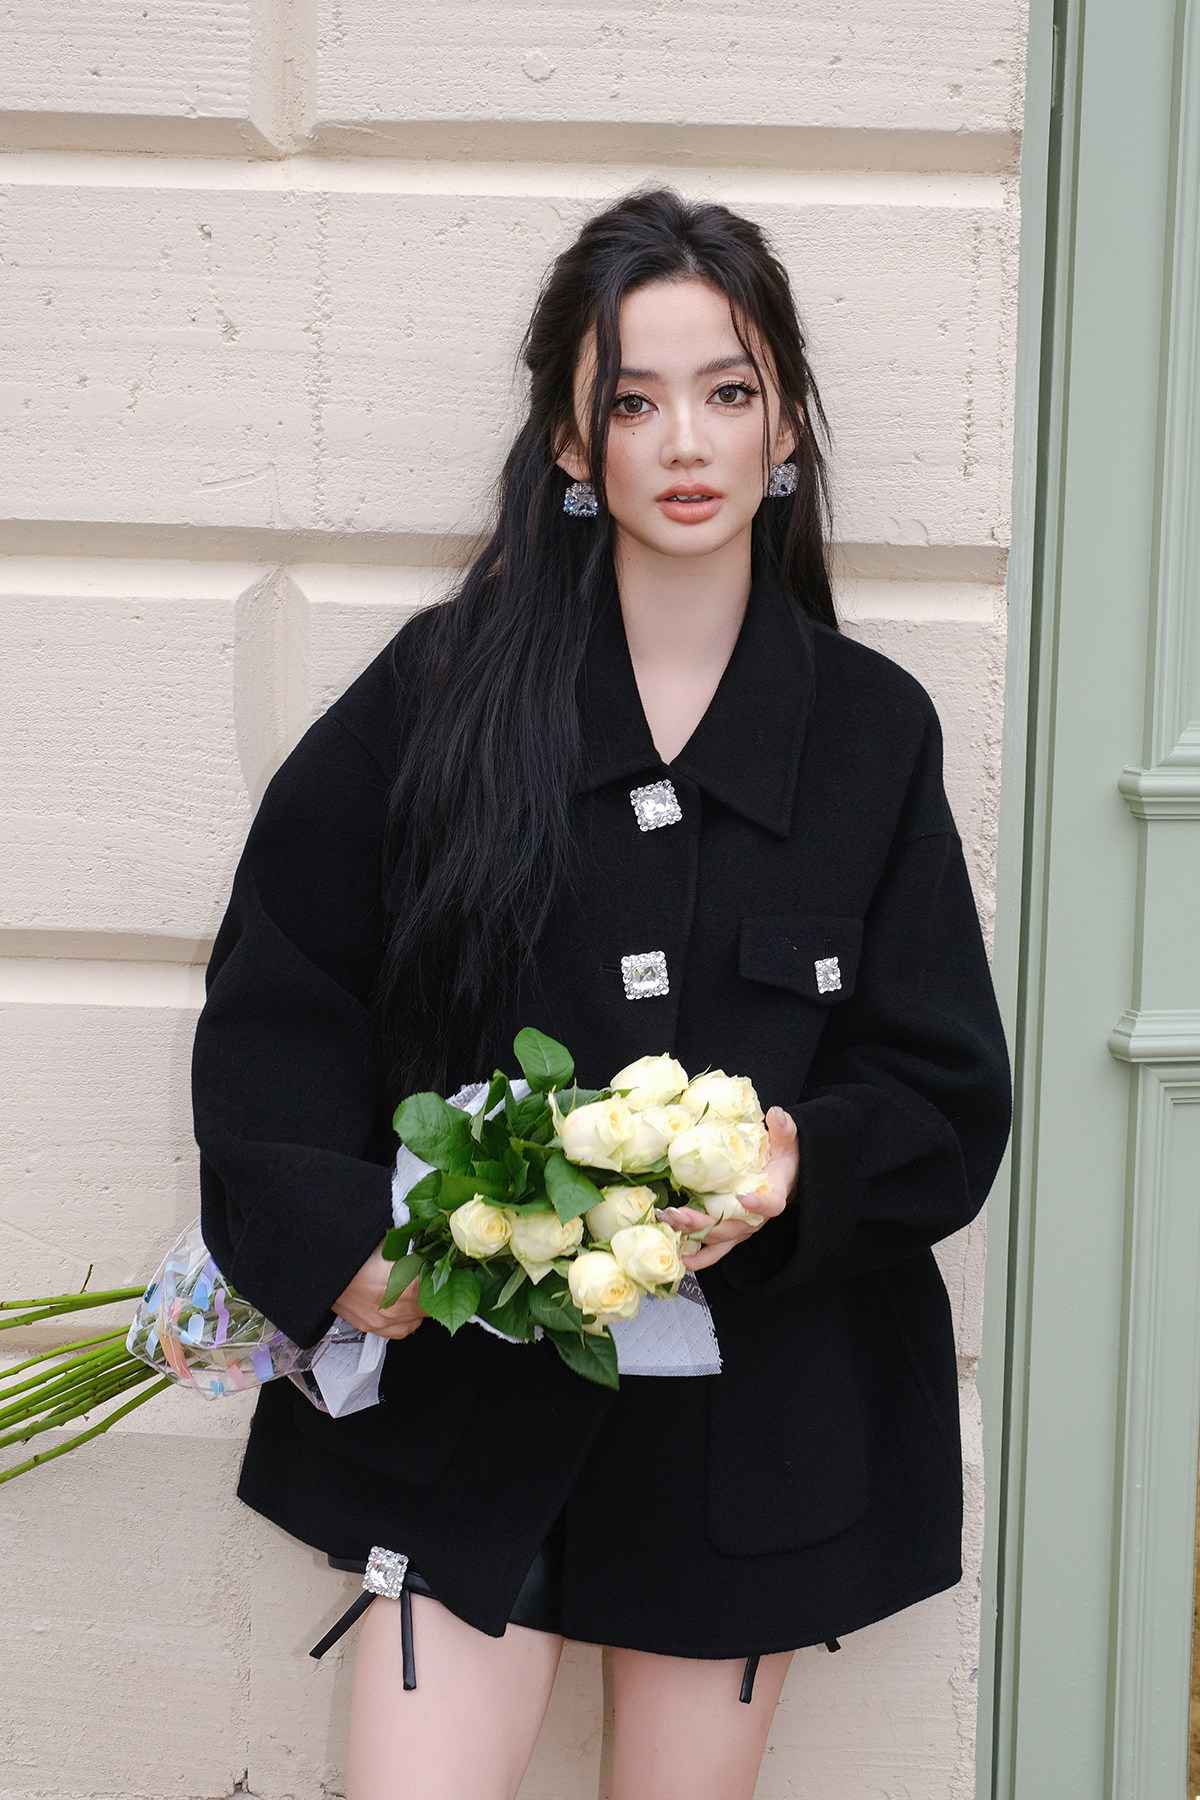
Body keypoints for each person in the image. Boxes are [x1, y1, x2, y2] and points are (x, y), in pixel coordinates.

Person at [192, 188, 1012, 1800]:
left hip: (752, 1432)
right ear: (571, 443)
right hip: (465, 1405)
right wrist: (338, 1238)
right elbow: (283, 992)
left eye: (729, 390)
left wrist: (798, 1160)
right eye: (633, 402)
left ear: (785, 422)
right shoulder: (440, 691)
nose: (686, 442)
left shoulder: (870, 731)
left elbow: (945, 1085)